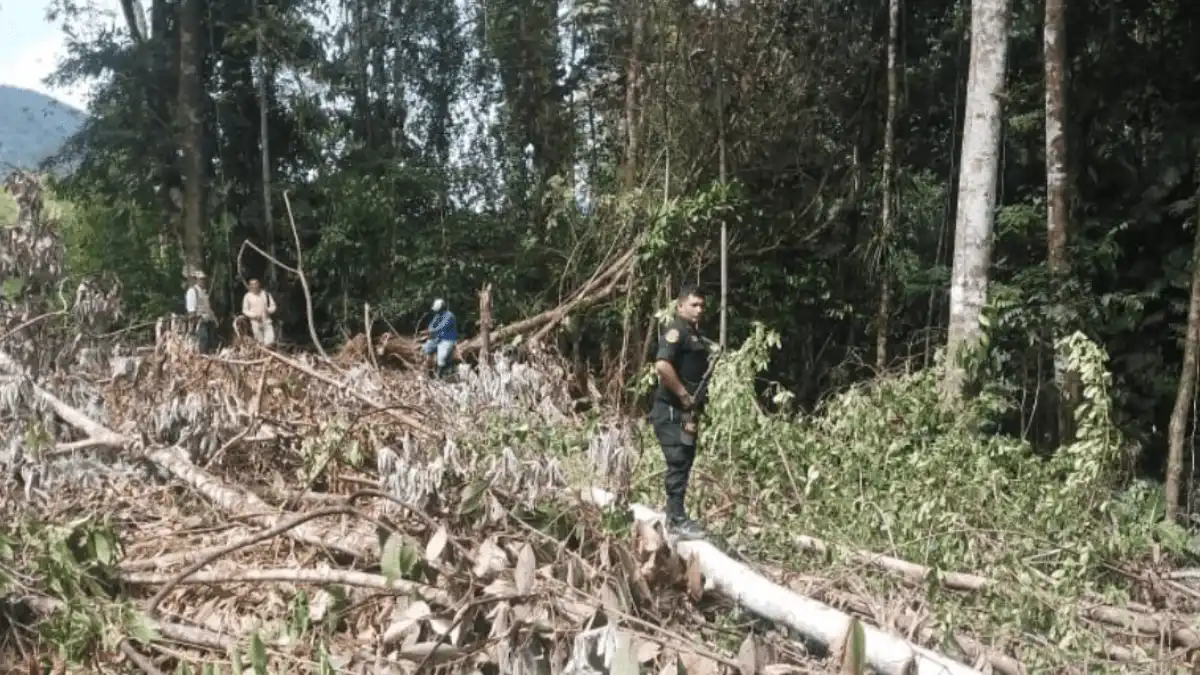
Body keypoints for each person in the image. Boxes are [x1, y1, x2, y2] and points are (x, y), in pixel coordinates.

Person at [650, 283, 717, 539]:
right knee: (677, 460)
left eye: (701, 305)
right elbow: (662, 366)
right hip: (671, 411)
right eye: (694, 305)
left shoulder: (694, 334)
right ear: (680, 307)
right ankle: (676, 520)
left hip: (688, 414)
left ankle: (676, 515)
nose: (699, 310)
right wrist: (682, 395)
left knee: (685, 459)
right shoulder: (675, 331)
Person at [422, 298, 457, 377]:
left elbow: (442, 327)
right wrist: (429, 331)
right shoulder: (438, 316)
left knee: (441, 358)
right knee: (425, 349)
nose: (436, 311)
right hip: (437, 338)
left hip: (447, 339)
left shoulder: (449, 316)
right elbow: (432, 325)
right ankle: (428, 373)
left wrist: (430, 332)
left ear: (442, 308)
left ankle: (439, 377)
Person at [184, 270, 217, 353]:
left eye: (204, 279)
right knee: (202, 341)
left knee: (212, 342)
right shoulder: (192, 291)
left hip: (208, 320)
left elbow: (208, 308)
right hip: (199, 321)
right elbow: (191, 310)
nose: (203, 281)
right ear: (196, 280)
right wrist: (195, 320)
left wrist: (214, 318)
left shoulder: (204, 292)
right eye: (201, 279)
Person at [241, 278, 277, 346]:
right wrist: (254, 315)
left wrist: (268, 311)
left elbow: (273, 306)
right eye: (252, 284)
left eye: (256, 283)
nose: (254, 286)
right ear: (250, 286)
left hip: (267, 321)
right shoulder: (247, 296)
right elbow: (244, 310)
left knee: (270, 341)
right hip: (255, 323)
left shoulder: (266, 294)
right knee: (260, 342)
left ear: (259, 284)